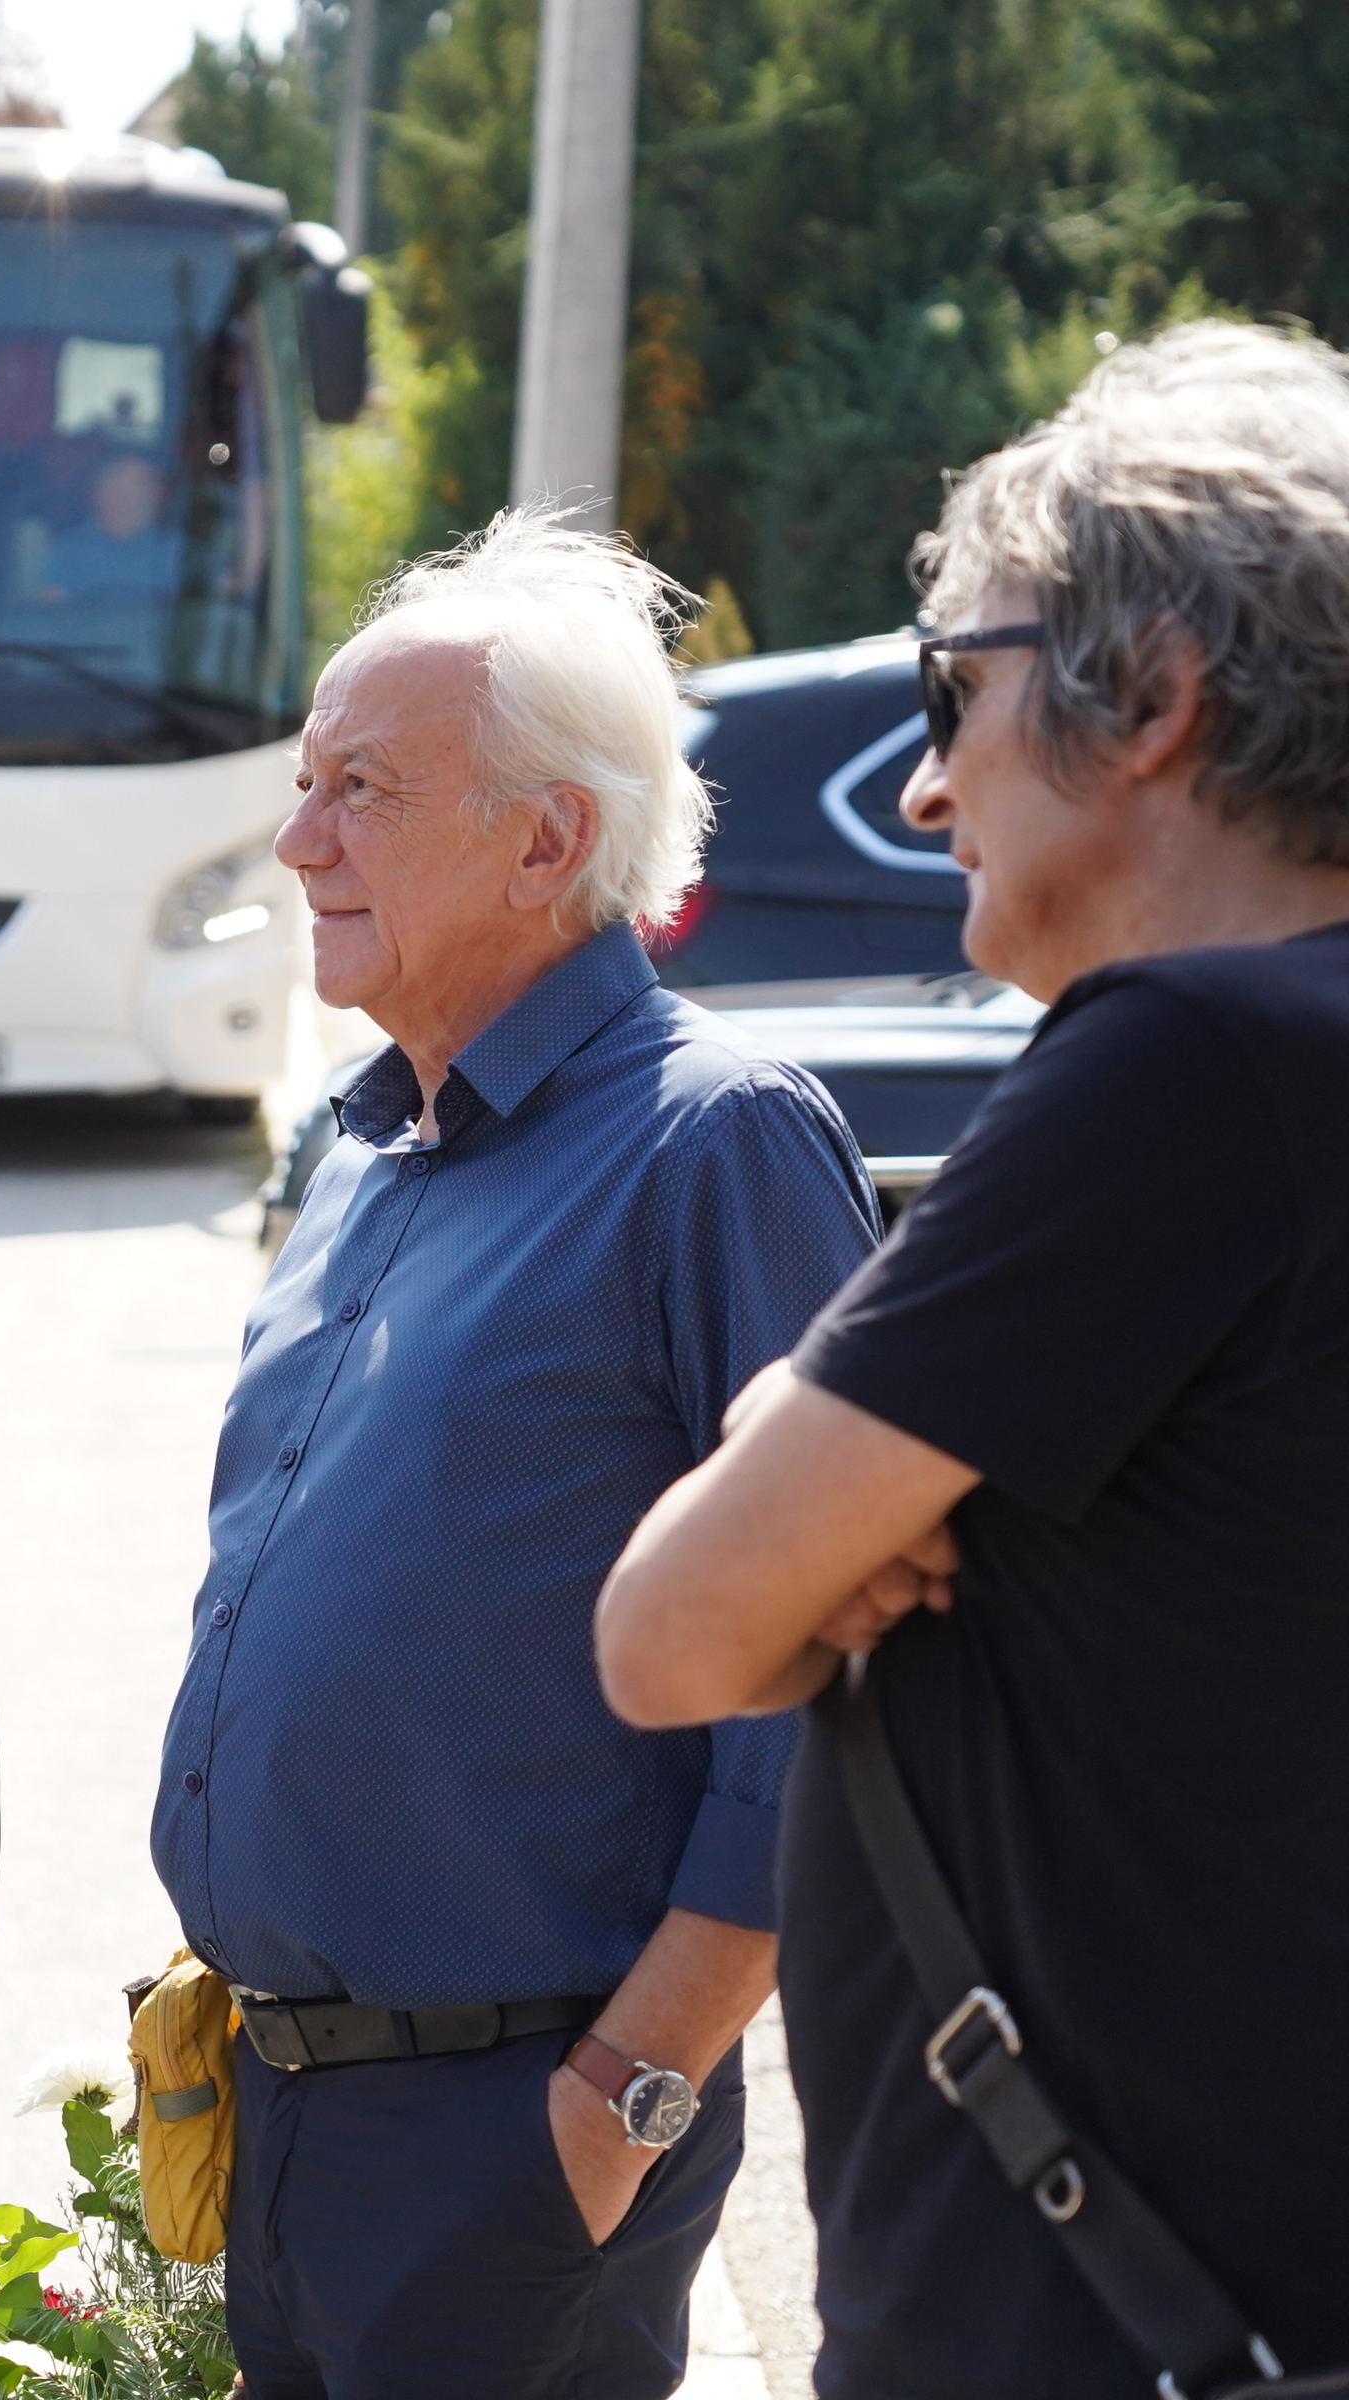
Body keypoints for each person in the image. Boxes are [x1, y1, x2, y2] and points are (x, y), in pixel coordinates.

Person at [595, 323, 1349, 2397]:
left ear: (1159, 695)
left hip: (1086, 2325)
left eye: (955, 689)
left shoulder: (1189, 1066)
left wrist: (796, 1452)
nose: (927, 782)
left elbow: (669, 1630)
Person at [153, 510, 882, 2398]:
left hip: (520, 2127)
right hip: (293, 2112)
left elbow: (829, 1687)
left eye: (363, 791)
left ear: (548, 841)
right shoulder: (364, 1146)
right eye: (305, 783)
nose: (300, 840)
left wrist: (623, 2095)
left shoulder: (713, 1142)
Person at [38, 449, 184, 607]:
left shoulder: (177, 550)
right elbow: (50, 613)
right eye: (138, 484)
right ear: (103, 493)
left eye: (150, 484)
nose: (149, 494)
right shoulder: (69, 552)